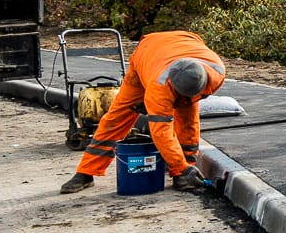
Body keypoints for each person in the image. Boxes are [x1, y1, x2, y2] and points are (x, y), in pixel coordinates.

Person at [60, 30, 226, 194]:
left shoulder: (217, 71)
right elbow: (161, 132)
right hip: (147, 51)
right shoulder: (160, 85)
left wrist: (183, 168)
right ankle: (85, 172)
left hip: (184, 42)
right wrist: (150, 102)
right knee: (117, 118)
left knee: (188, 119)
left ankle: (182, 174)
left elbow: (187, 104)